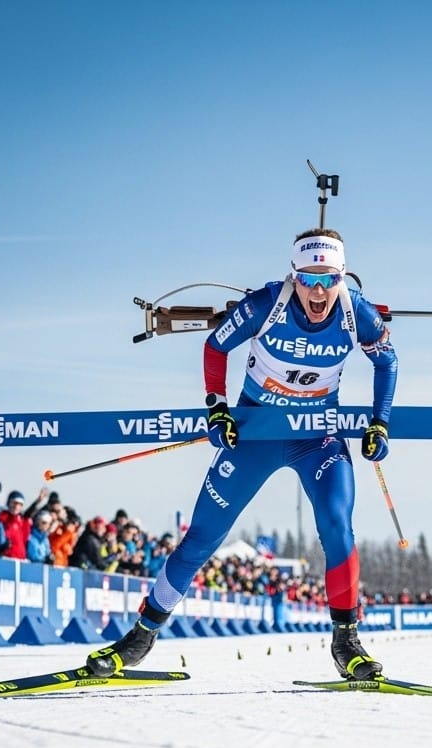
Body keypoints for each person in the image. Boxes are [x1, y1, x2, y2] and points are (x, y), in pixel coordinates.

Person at [88, 227, 397, 681]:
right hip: (255, 434)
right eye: (309, 278)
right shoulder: (266, 304)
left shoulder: (357, 313)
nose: (317, 290)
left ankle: (346, 642)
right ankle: (140, 636)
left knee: (337, 524)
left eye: (328, 279)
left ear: (342, 278)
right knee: (202, 539)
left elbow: (387, 362)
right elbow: (215, 347)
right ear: (294, 275)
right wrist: (217, 410)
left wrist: (379, 423)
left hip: (318, 437)